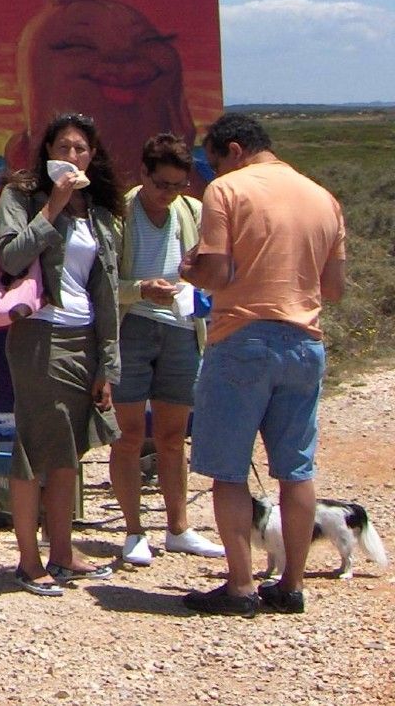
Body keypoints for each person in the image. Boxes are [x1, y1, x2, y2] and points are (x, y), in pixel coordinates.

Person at [180, 112, 347, 616]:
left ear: (232, 150)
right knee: (296, 471)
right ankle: (291, 584)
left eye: (212, 163)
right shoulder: (323, 198)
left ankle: (240, 585)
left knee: (228, 469)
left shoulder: (228, 192)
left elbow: (217, 271)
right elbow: (334, 289)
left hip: (242, 339)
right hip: (305, 342)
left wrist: (191, 268)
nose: (210, 175)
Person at [0, 112, 124, 596]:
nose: (72, 157)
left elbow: (105, 290)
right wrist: (53, 208)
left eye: (82, 150)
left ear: (93, 156)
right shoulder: (22, 195)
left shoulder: (97, 209)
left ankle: (63, 551)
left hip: (84, 337)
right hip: (40, 337)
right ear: (48, 151)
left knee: (71, 445)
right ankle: (29, 561)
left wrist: (107, 363)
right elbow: (9, 257)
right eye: (64, 148)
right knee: (34, 444)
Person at [109, 134, 225, 565]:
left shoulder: (192, 213)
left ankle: (179, 528)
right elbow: (102, 285)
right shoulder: (119, 214)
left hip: (181, 330)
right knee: (129, 436)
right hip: (132, 328)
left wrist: (198, 278)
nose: (170, 194)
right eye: (162, 185)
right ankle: (134, 531)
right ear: (143, 175)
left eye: (178, 186)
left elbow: (212, 272)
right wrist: (140, 290)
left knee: (174, 437)